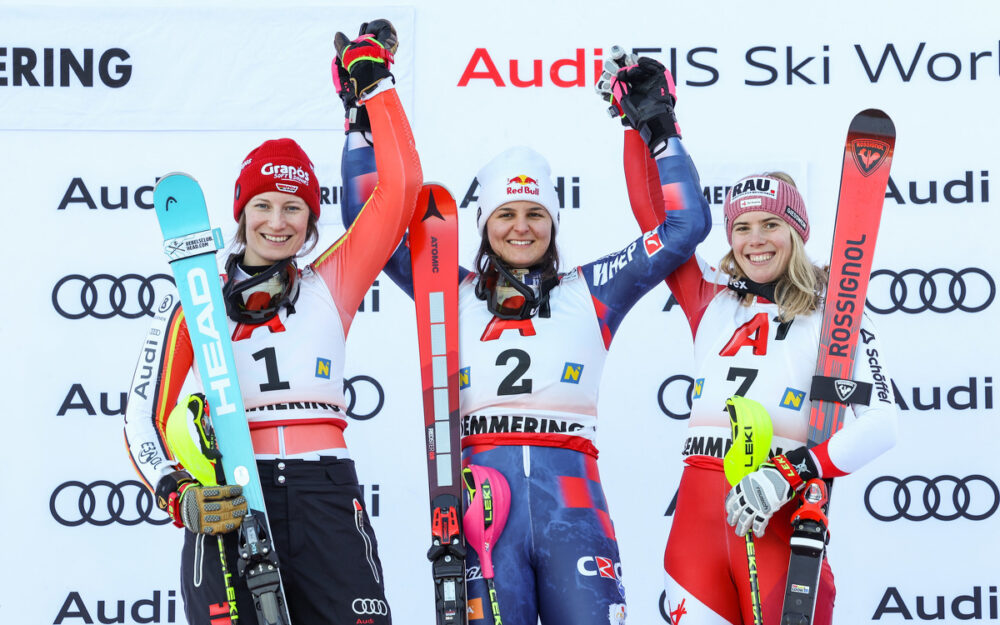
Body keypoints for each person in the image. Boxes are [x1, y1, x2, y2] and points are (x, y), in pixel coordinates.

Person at [341, 56, 710, 624]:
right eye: (505, 214)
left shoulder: (591, 290)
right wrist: (360, 117)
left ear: (555, 221)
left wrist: (660, 131)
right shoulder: (446, 288)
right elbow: (365, 215)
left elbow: (686, 229)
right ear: (484, 223)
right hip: (481, 504)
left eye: (536, 213)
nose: (521, 227)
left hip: (573, 504)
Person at [123, 21, 420, 625]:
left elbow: (403, 187)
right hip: (232, 500)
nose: (277, 221)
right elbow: (140, 416)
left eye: (294, 208)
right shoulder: (193, 298)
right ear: (240, 212)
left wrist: (375, 86)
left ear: (311, 221)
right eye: (262, 205)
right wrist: (181, 495)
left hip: (325, 498)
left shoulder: (330, 284)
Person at [620, 115, 900, 621]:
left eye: (771, 224)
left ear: (796, 229)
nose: (755, 240)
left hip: (777, 517)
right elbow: (653, 216)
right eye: (742, 228)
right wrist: (644, 126)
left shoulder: (835, 311)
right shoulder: (708, 298)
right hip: (696, 532)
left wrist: (791, 470)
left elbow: (883, 424)